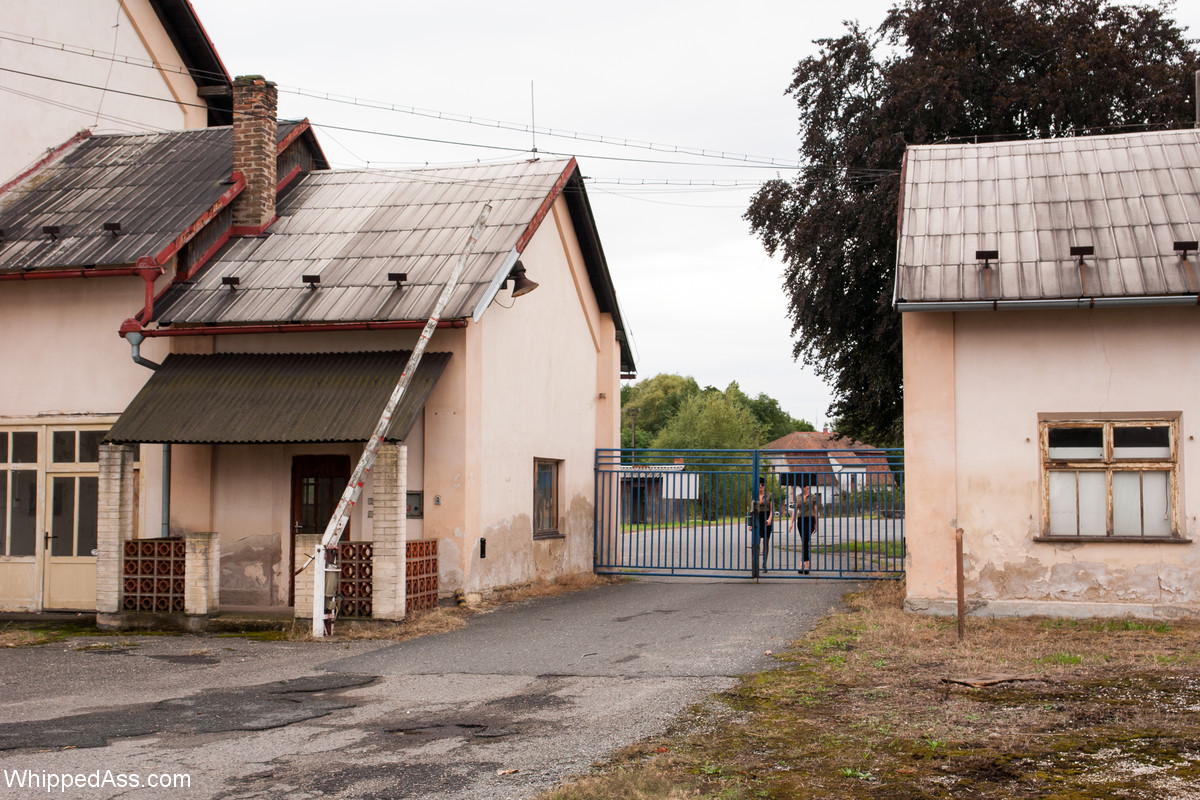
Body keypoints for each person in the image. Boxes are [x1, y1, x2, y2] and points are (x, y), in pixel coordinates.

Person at [792, 475, 819, 574]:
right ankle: (805, 562)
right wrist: (791, 522)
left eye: (803, 486)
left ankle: (803, 564)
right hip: (800, 520)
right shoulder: (798, 496)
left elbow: (815, 511)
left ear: (807, 486)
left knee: (805, 540)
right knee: (804, 541)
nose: (802, 488)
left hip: (810, 519)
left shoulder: (813, 497)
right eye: (800, 486)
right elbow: (795, 509)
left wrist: (816, 524)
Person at [752, 477, 774, 572]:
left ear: (765, 486)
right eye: (759, 484)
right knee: (757, 542)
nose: (760, 486)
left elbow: (772, 509)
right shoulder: (754, 496)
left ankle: (764, 564)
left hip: (766, 519)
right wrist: (751, 523)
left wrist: (769, 518)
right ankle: (755, 564)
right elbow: (752, 510)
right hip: (757, 519)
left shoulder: (769, 495)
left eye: (762, 484)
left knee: (766, 542)